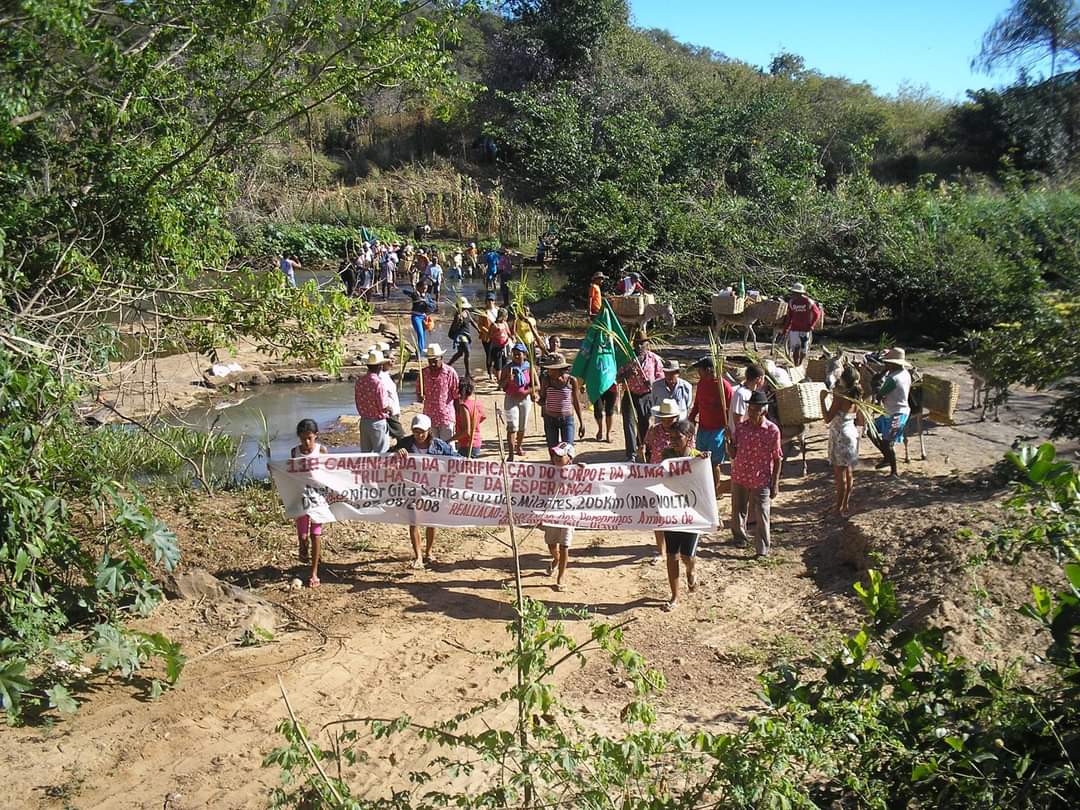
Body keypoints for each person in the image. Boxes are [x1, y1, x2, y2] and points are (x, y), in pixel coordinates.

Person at [394, 414, 456, 568]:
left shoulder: (439, 445)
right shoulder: (405, 443)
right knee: (414, 521)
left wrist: (467, 463)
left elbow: (455, 458)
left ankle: (428, 552)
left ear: (429, 430)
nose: (419, 435)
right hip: (412, 488)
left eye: (422, 431)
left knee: (431, 521)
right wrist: (397, 452)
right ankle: (418, 557)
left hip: (433, 487)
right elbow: (387, 456)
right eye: (415, 431)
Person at [729, 390, 782, 557]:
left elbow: (778, 458)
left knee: (762, 513)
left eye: (755, 410)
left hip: (761, 478)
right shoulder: (741, 428)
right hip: (740, 475)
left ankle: (762, 549)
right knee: (738, 508)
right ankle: (740, 538)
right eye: (749, 409)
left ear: (763, 411)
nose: (751, 413)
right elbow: (733, 454)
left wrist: (775, 483)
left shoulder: (772, 430)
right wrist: (727, 441)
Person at [660, 419, 707, 610]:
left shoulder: (699, 458)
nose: (673, 441)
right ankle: (674, 596)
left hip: (691, 513)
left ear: (689, 438)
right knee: (672, 555)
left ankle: (691, 569)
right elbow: (657, 476)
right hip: (671, 511)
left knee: (687, 556)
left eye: (677, 437)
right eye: (670, 437)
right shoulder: (667, 456)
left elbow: (708, 488)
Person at [644, 398, 689, 562]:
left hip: (679, 478)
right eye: (664, 417)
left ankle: (679, 546)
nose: (667, 420)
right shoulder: (654, 430)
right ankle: (661, 550)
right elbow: (647, 449)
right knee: (658, 512)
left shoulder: (684, 431)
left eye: (670, 417)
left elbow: (691, 452)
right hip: (657, 476)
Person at [820, 366, 863, 515]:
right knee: (849, 472)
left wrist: (822, 400)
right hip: (851, 434)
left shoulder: (840, 398)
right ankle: (844, 504)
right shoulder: (856, 395)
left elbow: (827, 418)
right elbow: (859, 418)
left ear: (843, 380)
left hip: (840, 436)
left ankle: (838, 509)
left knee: (840, 476)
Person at [689, 357, 735, 491]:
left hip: (718, 430)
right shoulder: (701, 383)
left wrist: (729, 429)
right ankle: (702, 488)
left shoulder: (723, 386)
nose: (698, 372)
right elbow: (697, 404)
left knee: (714, 463)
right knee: (699, 459)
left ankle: (715, 490)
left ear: (708, 370)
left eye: (700, 370)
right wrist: (691, 418)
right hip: (703, 428)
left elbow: (730, 409)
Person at [618, 334, 664, 461]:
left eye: (641, 343)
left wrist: (652, 382)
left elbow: (661, 378)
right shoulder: (627, 358)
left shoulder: (654, 359)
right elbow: (618, 378)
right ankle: (631, 454)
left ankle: (644, 450)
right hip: (630, 395)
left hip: (647, 395)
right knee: (629, 424)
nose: (638, 346)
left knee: (645, 424)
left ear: (647, 344)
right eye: (636, 343)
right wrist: (627, 373)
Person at [292, 419, 326, 588]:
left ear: (315, 436)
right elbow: (289, 471)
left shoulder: (322, 451)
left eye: (309, 438)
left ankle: (314, 573)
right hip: (301, 498)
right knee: (303, 536)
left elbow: (333, 471)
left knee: (315, 534)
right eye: (303, 438)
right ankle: (303, 548)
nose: (306, 442)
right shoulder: (295, 452)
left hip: (318, 499)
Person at [872, 348, 913, 478]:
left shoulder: (893, 379)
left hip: (897, 413)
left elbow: (880, 394)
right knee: (872, 431)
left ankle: (894, 471)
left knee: (887, 442)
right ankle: (887, 458)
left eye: (887, 363)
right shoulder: (905, 373)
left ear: (893, 364)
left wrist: (880, 377)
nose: (886, 365)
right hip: (892, 411)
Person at [543, 442, 577, 591]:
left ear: (570, 458)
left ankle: (561, 576)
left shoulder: (577, 472)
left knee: (564, 546)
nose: (556, 457)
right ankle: (556, 559)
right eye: (555, 454)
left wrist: (584, 470)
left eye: (560, 455)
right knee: (551, 545)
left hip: (569, 514)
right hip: (552, 512)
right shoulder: (548, 471)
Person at [539, 353, 586, 448]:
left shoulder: (571, 381)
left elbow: (576, 402)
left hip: (567, 420)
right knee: (553, 450)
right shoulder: (546, 380)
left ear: (559, 369)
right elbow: (542, 400)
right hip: (550, 420)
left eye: (551, 369)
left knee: (568, 449)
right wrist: (537, 399)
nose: (548, 371)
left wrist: (581, 422)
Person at [499, 343, 535, 460]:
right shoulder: (507, 368)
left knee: (522, 426)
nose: (517, 357)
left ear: (524, 355)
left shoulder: (529, 367)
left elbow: (537, 386)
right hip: (510, 399)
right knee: (512, 426)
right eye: (514, 355)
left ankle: (518, 446)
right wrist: (508, 380)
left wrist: (527, 392)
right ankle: (510, 453)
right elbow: (500, 385)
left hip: (525, 400)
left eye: (519, 354)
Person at [417, 343, 460, 443]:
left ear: (441, 358)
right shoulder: (423, 373)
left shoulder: (450, 373)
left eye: (435, 361)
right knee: (432, 446)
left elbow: (456, 396)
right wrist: (420, 396)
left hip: (446, 416)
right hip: (429, 416)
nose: (432, 364)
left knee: (448, 446)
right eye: (430, 361)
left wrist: (458, 416)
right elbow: (419, 392)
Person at [353, 349, 391, 453]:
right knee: (381, 454)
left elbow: (357, 400)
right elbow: (383, 405)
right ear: (379, 366)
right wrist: (390, 409)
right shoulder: (378, 383)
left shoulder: (360, 382)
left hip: (364, 421)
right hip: (377, 422)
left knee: (365, 455)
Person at [780, 282, 823, 367]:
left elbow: (817, 313)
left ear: (800, 293)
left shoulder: (809, 301)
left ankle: (800, 363)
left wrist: (812, 325)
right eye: (793, 293)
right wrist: (785, 328)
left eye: (795, 293)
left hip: (805, 329)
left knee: (804, 349)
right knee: (795, 348)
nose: (793, 294)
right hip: (794, 329)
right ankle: (796, 365)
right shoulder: (792, 302)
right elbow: (790, 316)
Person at [374, 341, 405, 440]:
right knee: (400, 435)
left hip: (393, 411)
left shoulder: (386, 374)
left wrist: (397, 378)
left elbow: (390, 391)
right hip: (389, 412)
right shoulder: (379, 376)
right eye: (391, 359)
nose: (393, 361)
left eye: (393, 359)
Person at [453, 377, 485, 458]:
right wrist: (473, 423)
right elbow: (483, 416)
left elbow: (466, 432)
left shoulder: (464, 406)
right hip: (476, 442)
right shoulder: (478, 403)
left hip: (467, 445)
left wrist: (449, 440)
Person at [728, 364, 766, 428]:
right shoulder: (741, 394)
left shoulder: (751, 393)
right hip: (742, 435)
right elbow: (738, 420)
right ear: (758, 379)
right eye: (763, 378)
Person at [447, 297, 476, 378]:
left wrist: (478, 329)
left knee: (460, 353)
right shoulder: (458, 315)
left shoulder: (467, 312)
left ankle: (448, 364)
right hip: (461, 336)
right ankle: (467, 372)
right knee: (467, 352)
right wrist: (458, 322)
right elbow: (454, 328)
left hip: (466, 334)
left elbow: (472, 322)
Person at [405, 280, 435, 354]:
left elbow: (433, 305)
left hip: (424, 317)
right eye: (423, 288)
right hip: (416, 317)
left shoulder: (427, 295)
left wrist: (425, 301)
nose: (425, 290)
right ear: (418, 287)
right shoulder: (415, 294)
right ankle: (420, 353)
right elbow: (405, 291)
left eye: (426, 288)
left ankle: (420, 350)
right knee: (420, 334)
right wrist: (415, 293)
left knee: (423, 335)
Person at [487, 308, 512, 377]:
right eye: (506, 316)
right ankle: (499, 381)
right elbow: (489, 336)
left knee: (505, 363)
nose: (507, 317)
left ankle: (502, 379)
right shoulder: (494, 325)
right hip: (496, 347)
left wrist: (512, 337)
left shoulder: (505, 324)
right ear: (503, 316)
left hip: (505, 347)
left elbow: (509, 333)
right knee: (498, 365)